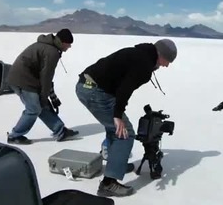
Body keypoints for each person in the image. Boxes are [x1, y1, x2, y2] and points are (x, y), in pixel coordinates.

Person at [75, 38, 177, 197]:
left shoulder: (139, 53)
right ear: (160, 54)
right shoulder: (144, 65)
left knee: (115, 130)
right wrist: (117, 115)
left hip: (87, 85)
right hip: (95, 92)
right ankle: (108, 183)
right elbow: (125, 89)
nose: (167, 65)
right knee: (125, 133)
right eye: (167, 60)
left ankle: (116, 164)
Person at [6, 29, 79, 145]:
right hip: (23, 80)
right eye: (69, 44)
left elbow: (44, 74)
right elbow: (46, 76)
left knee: (41, 105)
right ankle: (15, 135)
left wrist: (44, 97)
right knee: (34, 108)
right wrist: (44, 96)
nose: (69, 47)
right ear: (63, 42)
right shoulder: (52, 52)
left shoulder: (47, 46)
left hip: (25, 78)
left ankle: (60, 131)